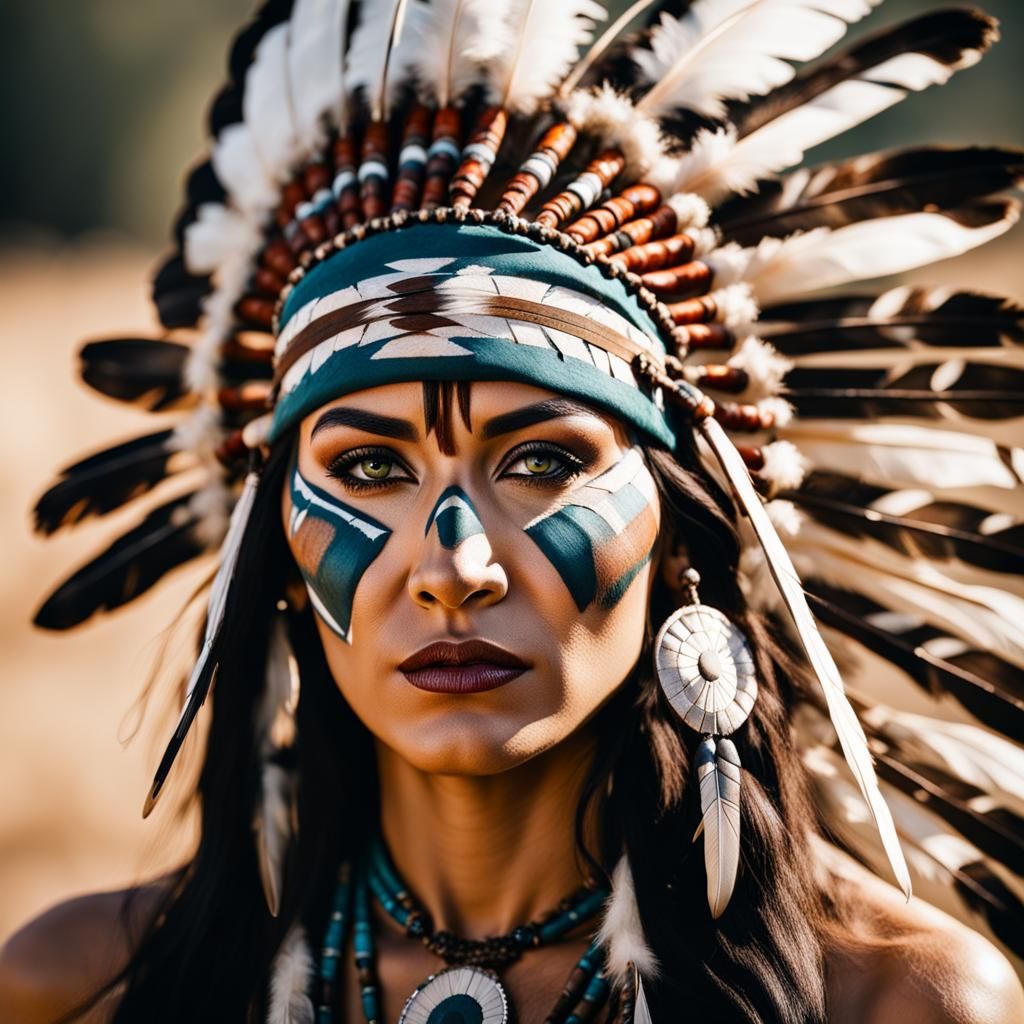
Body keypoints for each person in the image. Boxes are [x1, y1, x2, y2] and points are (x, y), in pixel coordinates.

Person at [3, 1, 1023, 1021]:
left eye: (541, 461)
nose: (454, 566)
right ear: (273, 550)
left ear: (679, 540)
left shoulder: (889, 999)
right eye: (365, 469)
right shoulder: (86, 985)